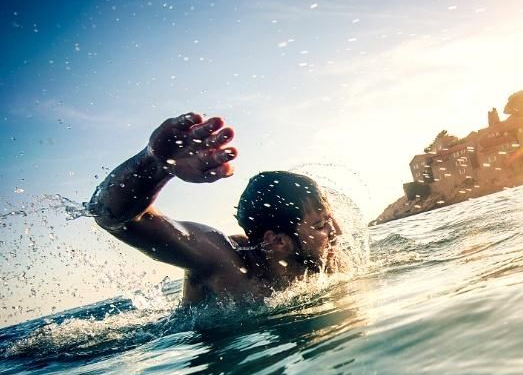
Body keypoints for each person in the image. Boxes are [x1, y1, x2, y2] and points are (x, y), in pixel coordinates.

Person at [88, 112, 342, 306]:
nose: (337, 232)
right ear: (276, 241)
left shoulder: (326, 262)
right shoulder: (224, 263)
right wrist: (154, 165)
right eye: (320, 225)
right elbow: (113, 217)